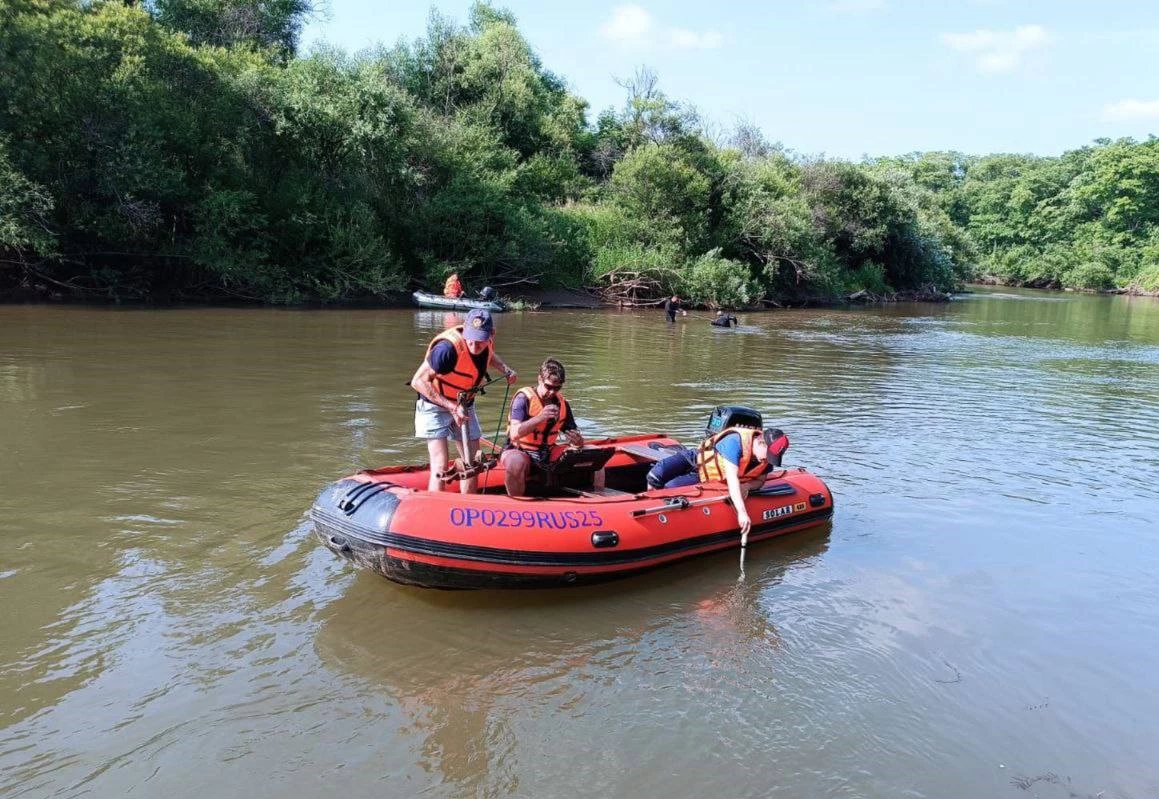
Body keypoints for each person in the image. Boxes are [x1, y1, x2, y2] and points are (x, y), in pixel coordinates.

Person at [410, 308, 517, 493]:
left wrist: (504, 369)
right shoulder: (446, 350)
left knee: (472, 462)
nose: (474, 345)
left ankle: (468, 508)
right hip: (433, 404)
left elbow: (489, 355)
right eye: (471, 339)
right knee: (440, 466)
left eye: (480, 340)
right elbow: (417, 381)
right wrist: (452, 407)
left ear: (491, 334)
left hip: (464, 403)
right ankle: (435, 509)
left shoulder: (487, 342)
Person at [646, 426, 789, 538]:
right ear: (761, 443)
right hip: (696, 461)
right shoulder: (735, 442)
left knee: (670, 489)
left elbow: (760, 481)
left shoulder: (766, 460)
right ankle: (646, 511)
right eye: (768, 455)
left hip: (706, 478)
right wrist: (742, 513)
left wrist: (747, 486)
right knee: (655, 475)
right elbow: (732, 479)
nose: (768, 460)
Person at [499, 358, 605, 497]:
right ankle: (518, 506)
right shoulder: (523, 399)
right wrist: (540, 418)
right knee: (515, 462)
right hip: (519, 449)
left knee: (596, 455)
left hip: (548, 451)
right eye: (548, 387)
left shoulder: (562, 403)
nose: (552, 392)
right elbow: (514, 433)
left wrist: (578, 441)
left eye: (557, 388)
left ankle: (599, 500)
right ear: (539, 379)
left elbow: (575, 437)